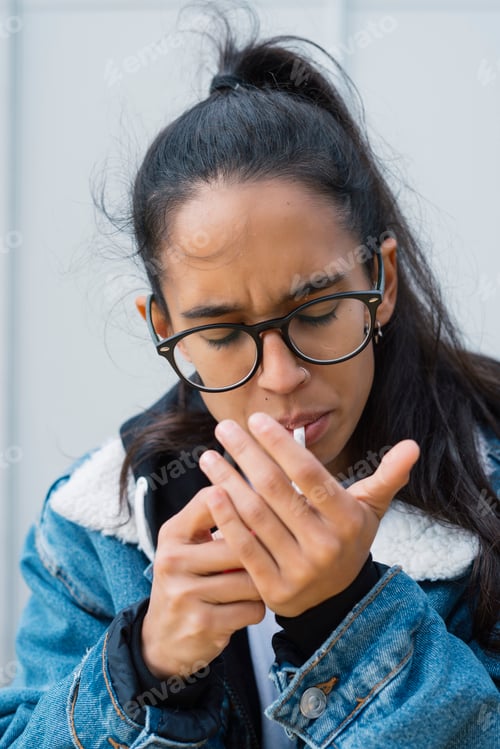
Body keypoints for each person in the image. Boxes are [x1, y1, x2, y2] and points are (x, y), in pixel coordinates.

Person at [1, 8, 499, 749]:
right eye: (224, 332)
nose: (283, 376)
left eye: (319, 309)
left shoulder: (488, 481)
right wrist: (144, 664)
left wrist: (346, 616)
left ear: (382, 279)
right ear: (164, 327)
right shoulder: (95, 528)